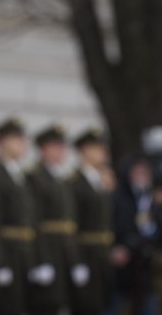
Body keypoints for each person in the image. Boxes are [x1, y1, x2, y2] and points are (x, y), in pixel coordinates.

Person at [26, 124, 82, 315]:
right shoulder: (34, 177)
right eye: (55, 147)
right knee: (44, 305)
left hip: (64, 253)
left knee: (62, 305)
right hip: (47, 250)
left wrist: (76, 260)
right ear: (42, 149)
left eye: (62, 147)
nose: (60, 152)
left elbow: (70, 224)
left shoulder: (63, 179)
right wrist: (40, 260)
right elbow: (34, 222)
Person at [108, 154, 162, 315]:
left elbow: (157, 230)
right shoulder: (118, 197)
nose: (142, 177)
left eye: (145, 173)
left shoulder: (150, 200)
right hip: (122, 266)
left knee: (149, 306)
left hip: (146, 267)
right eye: (137, 172)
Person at [0, 117, 36, 315]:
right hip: (6, 251)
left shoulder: (23, 175)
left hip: (24, 253)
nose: (22, 144)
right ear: (2, 142)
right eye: (16, 139)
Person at [69, 128, 114, 315]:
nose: (103, 152)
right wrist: (76, 260)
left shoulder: (103, 181)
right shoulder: (74, 182)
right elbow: (72, 224)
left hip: (103, 253)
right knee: (85, 306)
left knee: (103, 305)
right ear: (84, 151)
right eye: (97, 148)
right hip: (85, 253)